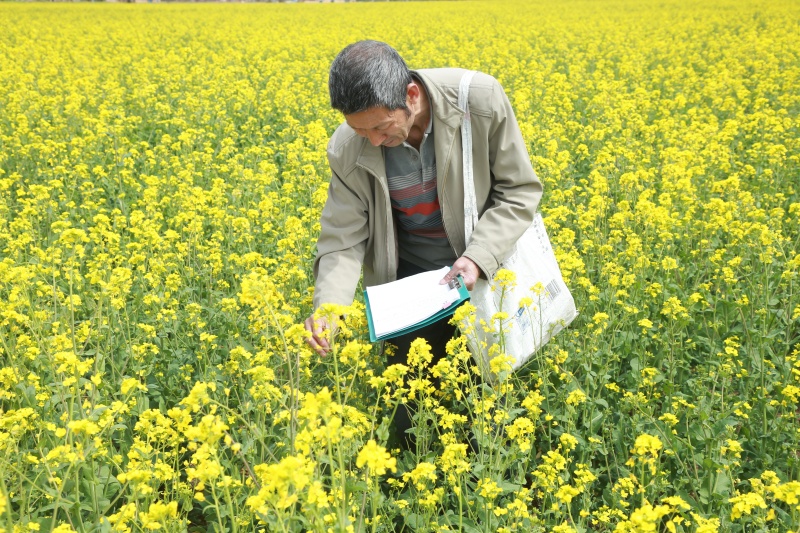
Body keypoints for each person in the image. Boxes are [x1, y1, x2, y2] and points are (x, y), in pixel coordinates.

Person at [304, 40, 542, 447]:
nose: (373, 141)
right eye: (360, 130)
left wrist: (478, 258)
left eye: (380, 128)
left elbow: (518, 191)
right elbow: (343, 239)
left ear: (411, 96)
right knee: (409, 410)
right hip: (410, 287)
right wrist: (331, 308)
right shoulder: (348, 147)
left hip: (483, 274)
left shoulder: (479, 102)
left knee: (491, 407)